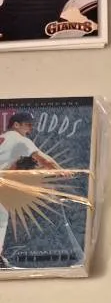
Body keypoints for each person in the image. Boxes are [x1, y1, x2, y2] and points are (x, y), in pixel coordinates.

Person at [0, 110, 59, 266]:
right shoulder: (21, 140)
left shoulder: (4, 139)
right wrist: (62, 171)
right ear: (16, 125)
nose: (30, 129)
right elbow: (45, 160)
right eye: (27, 125)